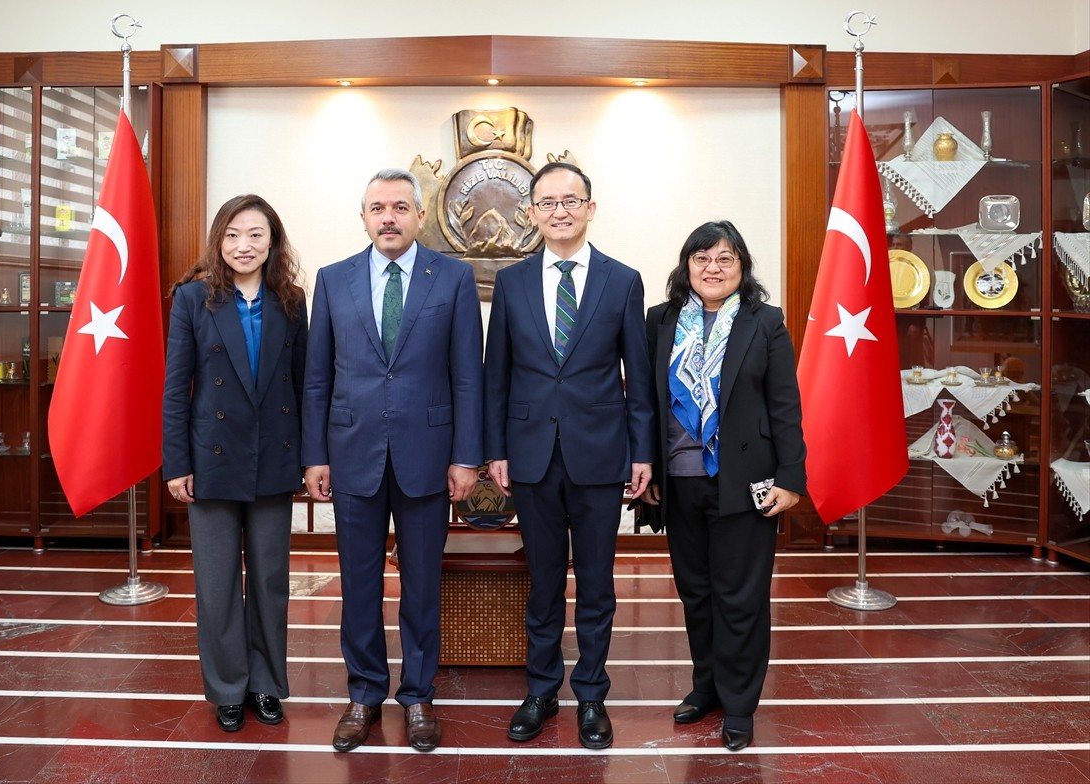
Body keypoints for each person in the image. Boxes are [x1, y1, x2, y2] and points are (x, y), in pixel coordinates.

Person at [301, 168, 483, 753]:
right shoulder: (333, 280)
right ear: (363, 217)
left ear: (420, 216)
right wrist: (314, 456)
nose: (389, 218)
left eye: (400, 207)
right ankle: (363, 694)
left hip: (428, 455)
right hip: (352, 452)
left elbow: (467, 375)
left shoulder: (453, 277)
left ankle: (419, 695)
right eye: (378, 208)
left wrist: (466, 456)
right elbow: (317, 377)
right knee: (358, 585)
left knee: (422, 584)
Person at [483, 161, 654, 750]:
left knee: (598, 584)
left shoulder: (622, 280)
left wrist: (642, 452)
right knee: (544, 582)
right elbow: (496, 375)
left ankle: (592, 694)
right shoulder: (511, 283)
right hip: (531, 454)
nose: (560, 211)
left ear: (590, 208)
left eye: (571, 201)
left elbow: (639, 377)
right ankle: (540, 689)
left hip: (601, 454)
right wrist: (495, 449)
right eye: (548, 202)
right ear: (531, 213)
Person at [638, 220, 806, 752]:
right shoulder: (660, 320)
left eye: (725, 258)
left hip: (745, 481)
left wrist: (791, 477)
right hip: (679, 481)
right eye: (702, 258)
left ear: (742, 267)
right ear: (686, 265)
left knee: (741, 598)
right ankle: (706, 687)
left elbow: (785, 405)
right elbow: (645, 402)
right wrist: (645, 468)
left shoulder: (765, 322)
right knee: (697, 594)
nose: (713, 268)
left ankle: (738, 704)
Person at [162, 194, 308, 733]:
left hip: (274, 457)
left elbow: (304, 385)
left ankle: (265, 683)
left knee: (270, 580)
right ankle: (227, 688)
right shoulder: (192, 299)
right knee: (217, 583)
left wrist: (310, 459)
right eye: (232, 235)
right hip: (211, 460)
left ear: (273, 242)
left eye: (255, 235)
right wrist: (176, 463)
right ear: (218, 241)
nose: (243, 245)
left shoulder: (290, 300)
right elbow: (175, 388)